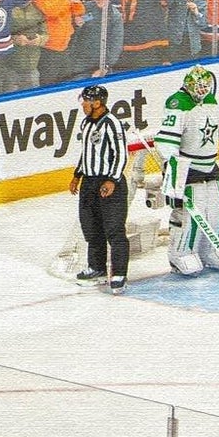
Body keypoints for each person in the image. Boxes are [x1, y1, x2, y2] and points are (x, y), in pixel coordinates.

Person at [150, 65, 219, 277]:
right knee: (188, 215)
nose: (202, 91)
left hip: (211, 167)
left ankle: (212, 249)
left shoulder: (210, 102)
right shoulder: (178, 103)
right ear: (188, 84)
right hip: (188, 170)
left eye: (206, 86)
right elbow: (166, 139)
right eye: (198, 86)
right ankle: (181, 253)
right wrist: (173, 164)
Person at [69, 84, 132, 294]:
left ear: (97, 103)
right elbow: (86, 152)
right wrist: (78, 175)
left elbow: (122, 154)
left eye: (86, 101)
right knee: (91, 228)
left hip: (109, 185)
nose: (83, 105)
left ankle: (119, 273)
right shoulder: (86, 123)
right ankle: (97, 269)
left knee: (114, 230)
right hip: (89, 183)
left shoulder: (112, 124)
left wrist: (112, 180)